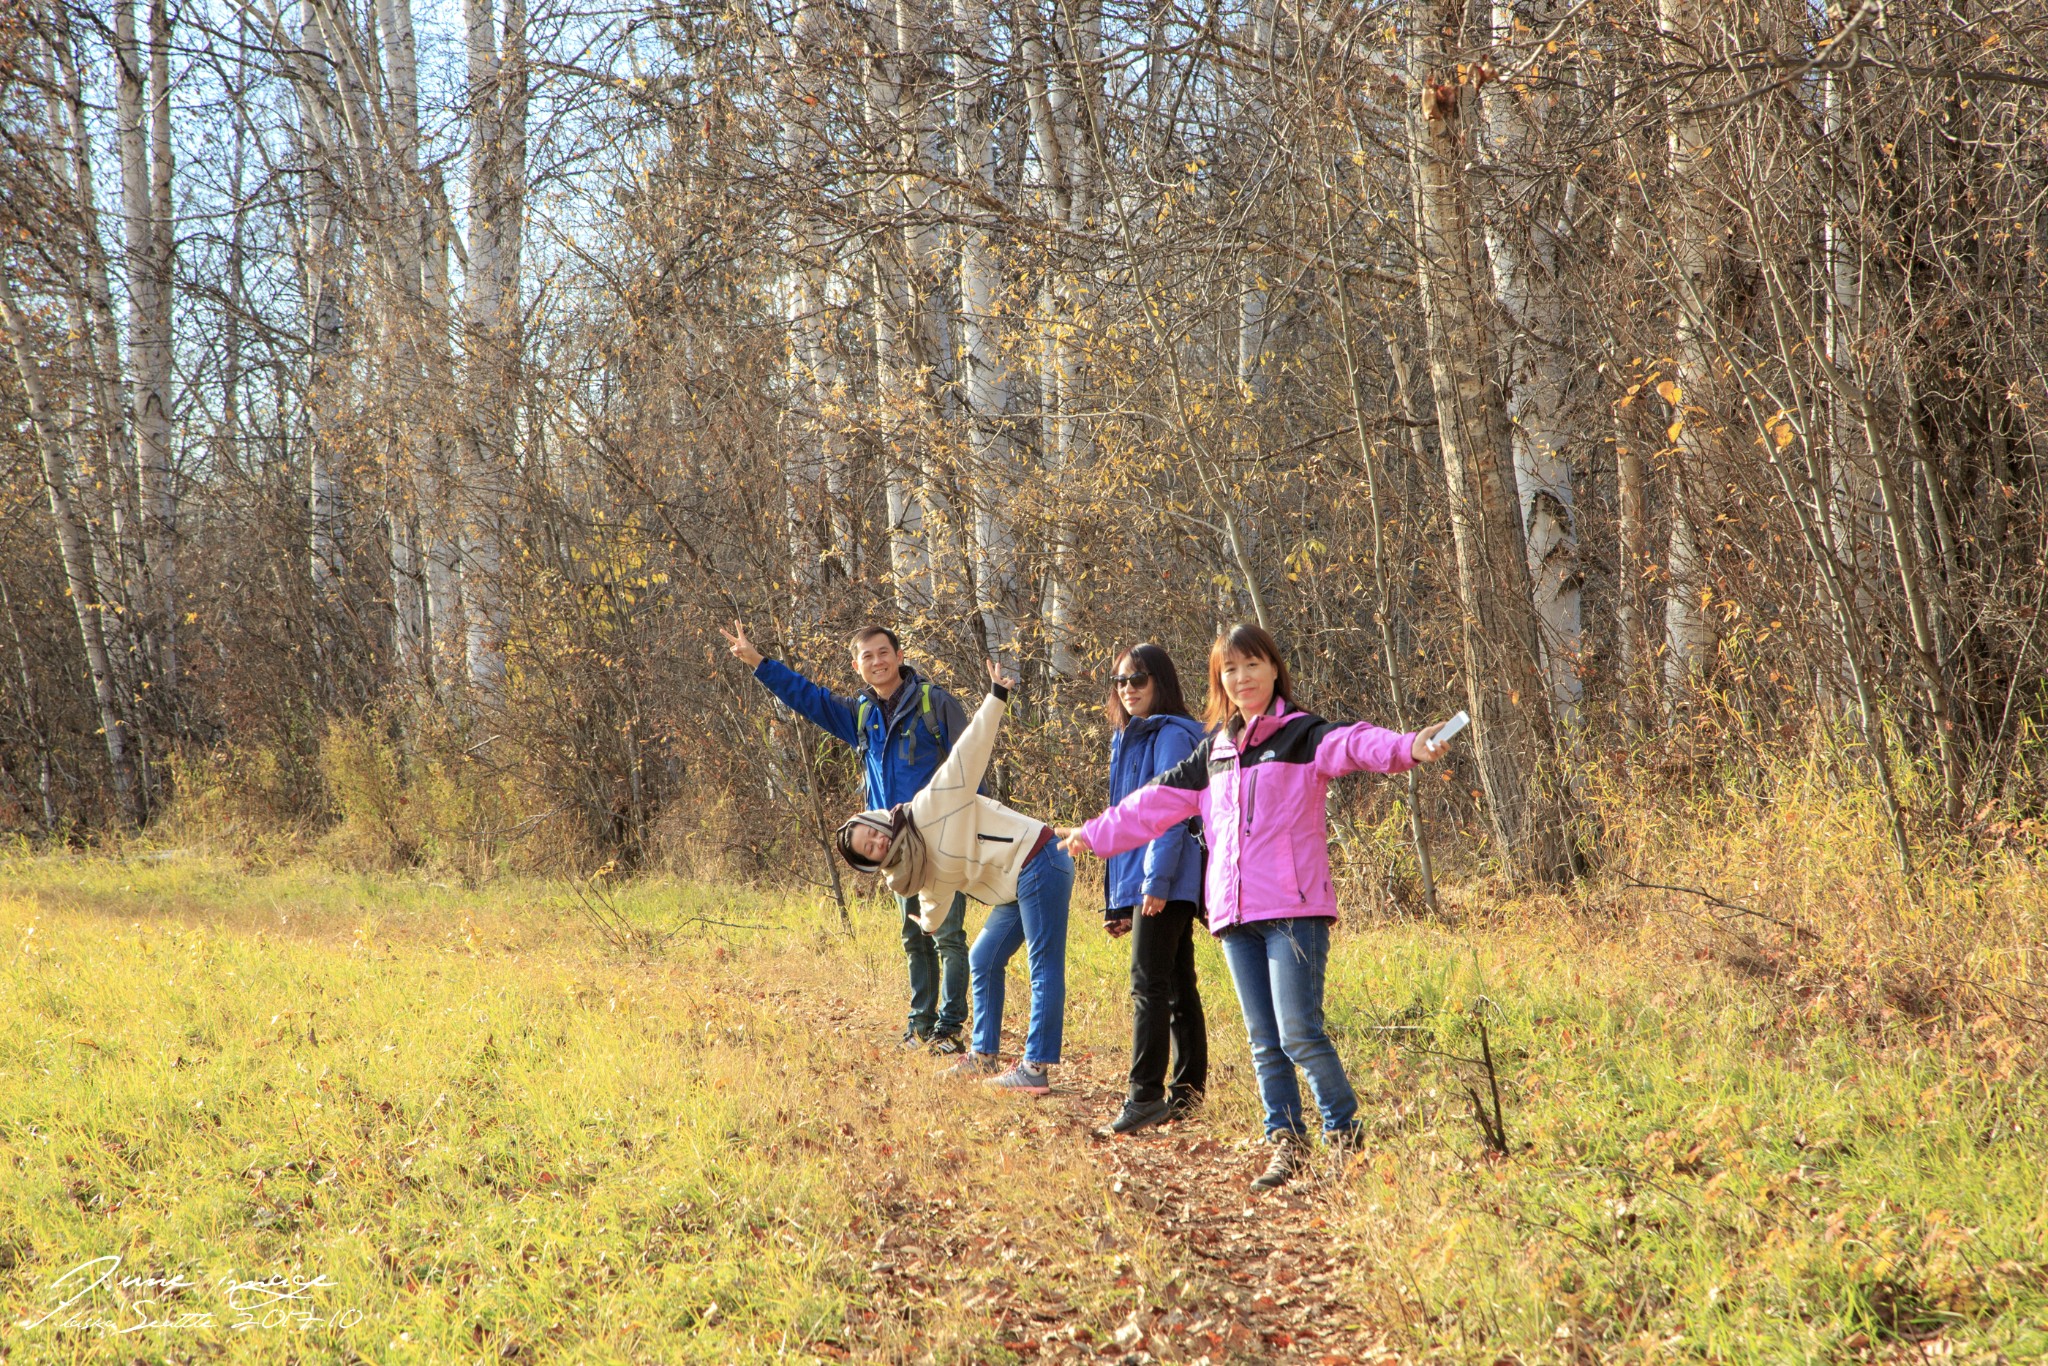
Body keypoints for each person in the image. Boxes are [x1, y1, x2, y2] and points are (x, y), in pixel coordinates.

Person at [1060, 624, 1451, 1191]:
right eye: (1229, 670)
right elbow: (1151, 804)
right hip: (1235, 917)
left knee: (1299, 1033)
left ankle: (1344, 1136)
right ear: (1219, 680)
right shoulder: (1213, 752)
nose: (1241, 678)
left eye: (1252, 666)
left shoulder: (1301, 735)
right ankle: (1286, 1144)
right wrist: (1093, 834)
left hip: (1293, 911)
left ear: (1273, 670)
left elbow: (1355, 743)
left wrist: (1408, 746)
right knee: (1264, 1042)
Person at [722, 620, 973, 1054]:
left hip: (942, 838)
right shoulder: (861, 715)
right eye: (867, 656)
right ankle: (920, 1026)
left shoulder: (936, 703)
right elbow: (808, 698)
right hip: (894, 848)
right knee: (915, 936)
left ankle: (949, 1030)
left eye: (883, 652)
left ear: (898, 655)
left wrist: (974, 830)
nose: (877, 662)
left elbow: (972, 762)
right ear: (857, 666)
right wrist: (757, 662)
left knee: (948, 936)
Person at [836, 660, 1074, 1096]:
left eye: (871, 833)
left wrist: (996, 696)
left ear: (879, 821)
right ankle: (983, 1057)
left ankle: (1035, 1068)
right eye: (867, 850)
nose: (875, 843)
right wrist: (922, 925)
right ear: (873, 863)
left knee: (1044, 966)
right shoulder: (916, 872)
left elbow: (969, 752)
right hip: (1013, 887)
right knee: (984, 959)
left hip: (1038, 858)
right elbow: (933, 905)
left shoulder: (928, 807)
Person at [1097, 644, 1208, 1136]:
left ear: (1160, 682)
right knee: (1177, 985)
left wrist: (1156, 883)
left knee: (1148, 986)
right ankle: (1187, 1095)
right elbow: (1126, 825)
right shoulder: (1129, 737)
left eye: (1138, 679)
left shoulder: (1170, 736)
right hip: (1150, 880)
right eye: (1121, 681)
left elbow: (1170, 814)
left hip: (1168, 878)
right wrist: (1118, 901)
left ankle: (1144, 1094)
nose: (1128, 689)